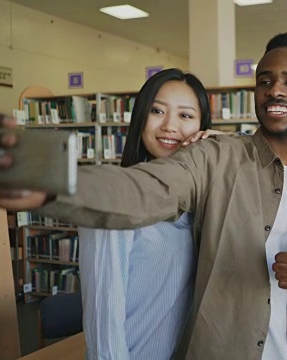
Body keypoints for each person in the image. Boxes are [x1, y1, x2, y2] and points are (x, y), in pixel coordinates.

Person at [0, 32, 287, 360]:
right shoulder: (216, 157)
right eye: (265, 81)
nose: (275, 90)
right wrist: (54, 186)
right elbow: (144, 190)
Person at [79, 68, 212, 359]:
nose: (169, 126)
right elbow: (104, 322)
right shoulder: (115, 200)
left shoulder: (209, 205)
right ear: (140, 118)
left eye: (186, 116)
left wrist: (220, 148)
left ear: (203, 127)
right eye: (157, 111)